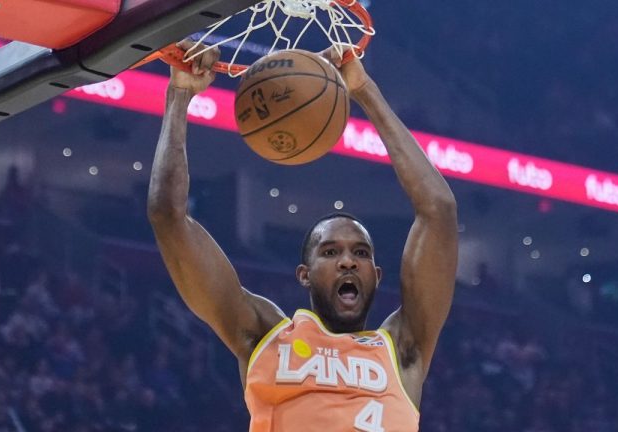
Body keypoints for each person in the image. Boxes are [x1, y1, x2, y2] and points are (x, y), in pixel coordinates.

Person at [147, 40, 458, 431]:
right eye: (330, 252)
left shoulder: (401, 349)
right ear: (304, 274)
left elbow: (439, 211)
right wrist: (179, 96)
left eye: (361, 253)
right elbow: (168, 216)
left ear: (377, 276)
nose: (348, 261)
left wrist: (364, 90)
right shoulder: (264, 336)